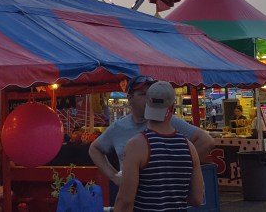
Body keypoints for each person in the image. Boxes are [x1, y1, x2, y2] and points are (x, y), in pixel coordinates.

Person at [89, 75, 214, 189]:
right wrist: (114, 177)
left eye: (150, 94)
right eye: (143, 94)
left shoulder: (167, 120)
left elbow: (206, 141)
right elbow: (94, 149)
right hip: (131, 195)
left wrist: (180, 172)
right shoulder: (118, 127)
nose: (149, 98)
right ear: (130, 99)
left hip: (165, 196)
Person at [114, 81, 203, 212]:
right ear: (172, 108)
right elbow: (197, 199)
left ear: (147, 104)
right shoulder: (189, 147)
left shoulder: (137, 145)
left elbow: (125, 202)